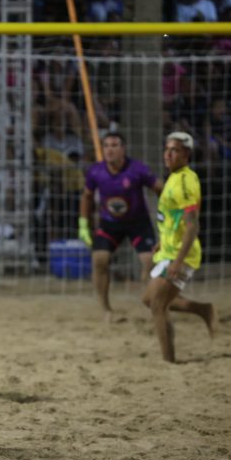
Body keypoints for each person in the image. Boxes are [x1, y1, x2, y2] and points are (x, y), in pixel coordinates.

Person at [142, 132, 217, 363]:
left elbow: (192, 225)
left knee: (157, 304)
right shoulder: (173, 178)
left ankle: (169, 361)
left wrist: (177, 260)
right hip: (169, 250)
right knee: (149, 299)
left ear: (186, 154)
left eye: (174, 150)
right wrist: (162, 242)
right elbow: (173, 219)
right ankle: (203, 310)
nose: (168, 154)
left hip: (181, 255)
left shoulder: (186, 181)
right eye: (167, 149)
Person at [79, 132, 164, 323]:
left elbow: (160, 189)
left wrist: (167, 215)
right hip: (110, 223)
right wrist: (83, 224)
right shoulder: (96, 171)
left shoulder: (137, 169)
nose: (109, 149)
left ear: (123, 149)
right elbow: (86, 197)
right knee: (99, 259)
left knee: (150, 262)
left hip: (137, 222)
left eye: (114, 145)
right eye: (106, 145)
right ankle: (106, 309)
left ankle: (151, 303)